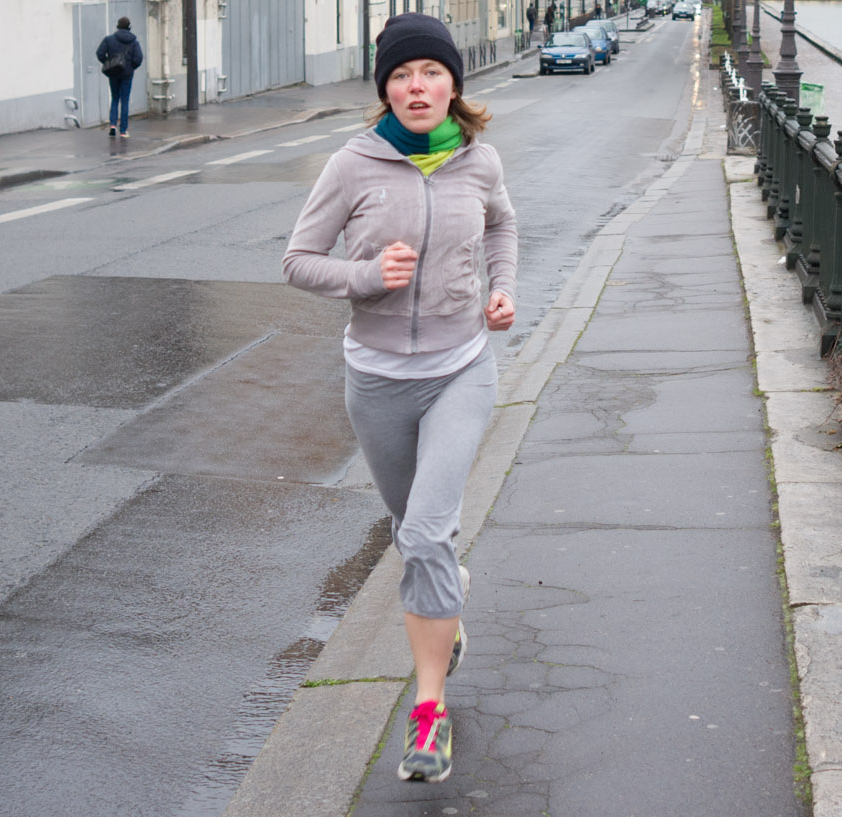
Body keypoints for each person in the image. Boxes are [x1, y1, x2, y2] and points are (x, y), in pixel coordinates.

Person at [282, 12, 516, 786]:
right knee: (417, 534)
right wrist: (364, 276)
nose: (417, 87)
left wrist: (503, 288)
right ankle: (449, 592)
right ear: (385, 86)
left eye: (432, 74)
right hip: (377, 379)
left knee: (422, 533)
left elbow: (502, 226)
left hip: (460, 369)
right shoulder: (352, 165)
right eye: (402, 75)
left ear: (455, 83)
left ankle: (427, 714)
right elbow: (298, 260)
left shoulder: (478, 162)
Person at [96, 17, 143, 138]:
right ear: (129, 27)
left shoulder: (109, 39)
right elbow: (138, 59)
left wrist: (108, 63)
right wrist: (130, 67)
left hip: (113, 73)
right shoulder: (134, 42)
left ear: (118, 26)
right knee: (125, 100)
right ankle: (123, 130)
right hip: (127, 75)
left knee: (115, 98)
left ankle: (112, 125)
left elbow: (100, 53)